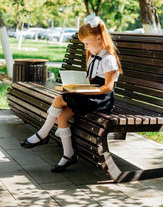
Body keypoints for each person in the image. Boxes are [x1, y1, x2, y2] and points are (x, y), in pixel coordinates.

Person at [20, 14, 122, 173]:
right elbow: (90, 81)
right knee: (62, 117)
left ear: (99, 38)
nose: (86, 47)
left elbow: (108, 88)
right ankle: (69, 155)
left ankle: (43, 134)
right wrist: (78, 87)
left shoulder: (109, 59)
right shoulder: (92, 58)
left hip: (102, 99)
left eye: (87, 43)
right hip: (91, 95)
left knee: (60, 99)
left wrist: (84, 91)